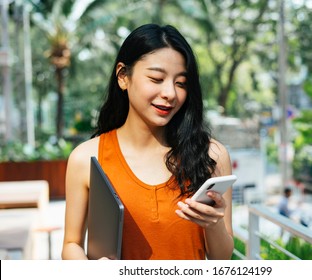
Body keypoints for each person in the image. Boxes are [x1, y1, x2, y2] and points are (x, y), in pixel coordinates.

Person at [61, 23, 234, 260]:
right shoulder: (87, 158)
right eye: (156, 78)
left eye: (181, 83)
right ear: (123, 76)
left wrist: (213, 225)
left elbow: (222, 260)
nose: (170, 93)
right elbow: (71, 244)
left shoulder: (211, 155)